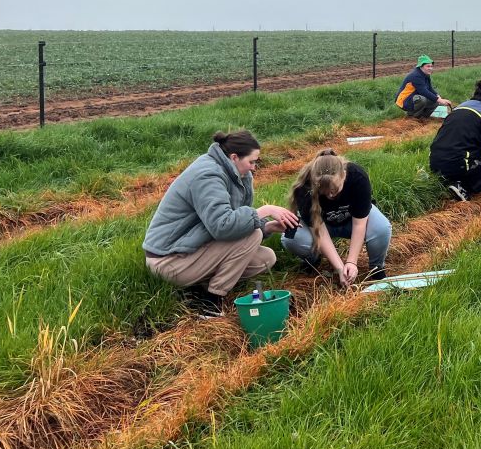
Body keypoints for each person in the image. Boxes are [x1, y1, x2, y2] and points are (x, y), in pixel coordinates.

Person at [143, 130, 299, 318]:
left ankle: (196, 288)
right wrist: (264, 210)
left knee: (265, 259)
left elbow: (237, 221)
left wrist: (269, 227)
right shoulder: (208, 175)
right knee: (253, 236)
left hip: (192, 250)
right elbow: (223, 225)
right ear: (234, 157)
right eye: (251, 161)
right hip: (168, 260)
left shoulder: (233, 173)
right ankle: (210, 300)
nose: (254, 167)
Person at [282, 149, 391, 285]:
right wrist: (340, 268)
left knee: (382, 228)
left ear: (344, 176)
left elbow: (359, 224)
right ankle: (313, 258)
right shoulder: (305, 189)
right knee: (291, 238)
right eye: (325, 192)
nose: (330, 196)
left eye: (334, 191)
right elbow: (319, 231)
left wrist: (351, 262)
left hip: (352, 222)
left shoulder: (357, 177)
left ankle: (376, 268)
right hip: (323, 227)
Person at [395, 55, 454, 120]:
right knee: (422, 100)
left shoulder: (426, 74)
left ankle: (423, 116)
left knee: (435, 100)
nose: (430, 68)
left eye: (431, 66)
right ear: (421, 66)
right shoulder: (415, 76)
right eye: (428, 66)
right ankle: (412, 116)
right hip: (404, 100)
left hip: (413, 97)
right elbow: (423, 91)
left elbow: (429, 88)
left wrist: (438, 96)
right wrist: (439, 100)